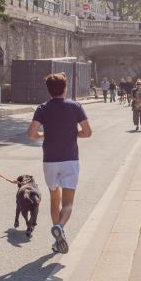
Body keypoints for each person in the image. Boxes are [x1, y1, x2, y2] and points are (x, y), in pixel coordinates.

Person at [27, 73, 92, 255]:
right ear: (65, 88)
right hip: (70, 159)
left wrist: (43, 135)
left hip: (50, 161)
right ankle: (60, 227)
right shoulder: (75, 107)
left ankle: (57, 239)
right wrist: (73, 134)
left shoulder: (42, 108)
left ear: (48, 90)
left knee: (54, 198)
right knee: (68, 203)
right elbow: (87, 132)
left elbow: (31, 134)